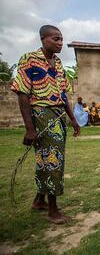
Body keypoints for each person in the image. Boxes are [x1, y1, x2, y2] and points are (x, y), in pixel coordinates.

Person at [10, 25, 80, 224]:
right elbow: (23, 94)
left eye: (61, 39)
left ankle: (39, 201)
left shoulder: (58, 64)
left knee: (44, 159)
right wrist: (30, 128)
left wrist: (73, 119)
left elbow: (63, 95)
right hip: (41, 114)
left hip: (58, 115)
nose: (60, 43)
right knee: (53, 160)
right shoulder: (29, 59)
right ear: (43, 39)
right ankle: (53, 210)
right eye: (55, 39)